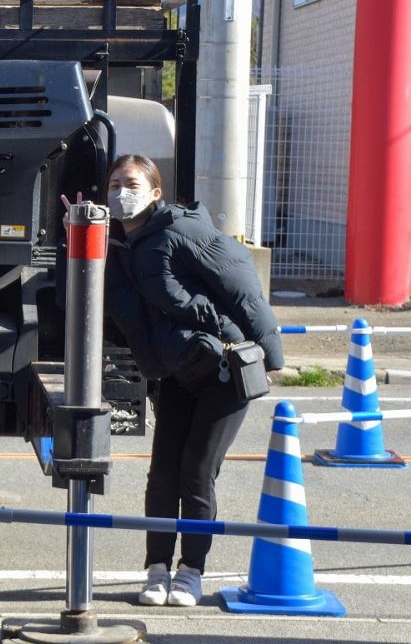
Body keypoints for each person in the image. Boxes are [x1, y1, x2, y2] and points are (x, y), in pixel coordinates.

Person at [101, 154, 282, 608]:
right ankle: (157, 569)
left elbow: (240, 281)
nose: (122, 192)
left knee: (197, 473)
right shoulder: (117, 244)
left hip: (224, 370)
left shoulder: (181, 231)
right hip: (176, 372)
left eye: (132, 183)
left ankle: (191, 572)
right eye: (115, 183)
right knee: (163, 474)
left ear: (156, 192)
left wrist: (270, 352)